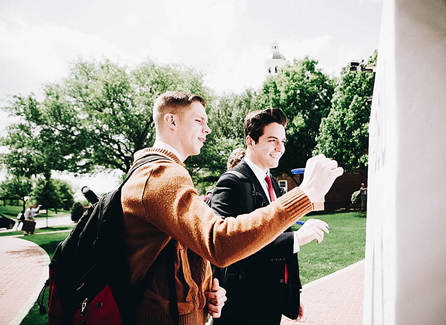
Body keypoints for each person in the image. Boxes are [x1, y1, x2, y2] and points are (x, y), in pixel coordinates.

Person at [120, 91, 343, 325]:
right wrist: (304, 195)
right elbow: (219, 242)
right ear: (171, 121)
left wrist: (204, 289)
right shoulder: (161, 175)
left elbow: (185, 250)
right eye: (199, 121)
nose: (207, 130)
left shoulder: (163, 173)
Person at [210, 108, 331, 325]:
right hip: (242, 307)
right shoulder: (231, 183)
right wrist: (296, 239)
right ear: (251, 141)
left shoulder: (272, 183)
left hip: (272, 300)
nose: (280, 148)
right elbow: (227, 247)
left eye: (283, 141)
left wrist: (292, 294)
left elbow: (281, 242)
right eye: (272, 140)